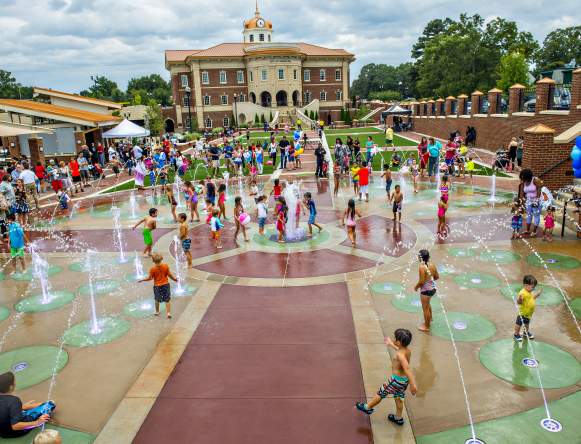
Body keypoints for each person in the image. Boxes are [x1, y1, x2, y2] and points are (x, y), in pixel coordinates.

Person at [355, 329, 417, 426]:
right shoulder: (407, 351)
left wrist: (413, 385)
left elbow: (407, 368)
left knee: (381, 393)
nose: (394, 339)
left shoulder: (400, 355)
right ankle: (398, 418)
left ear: (399, 342)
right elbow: (399, 350)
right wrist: (391, 344)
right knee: (399, 397)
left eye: (395, 339)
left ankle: (367, 407)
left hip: (395, 381)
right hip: (404, 381)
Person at [0, 372, 53, 438]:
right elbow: (15, 426)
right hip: (14, 432)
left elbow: (4, 409)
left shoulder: (11, 401)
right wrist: (37, 422)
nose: (15, 383)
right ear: (11, 387)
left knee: (22, 410)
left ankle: (24, 409)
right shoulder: (14, 400)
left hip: (1, 432)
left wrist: (21, 407)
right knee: (50, 405)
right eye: (14, 382)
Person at [138, 253, 177, 318]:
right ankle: (168, 313)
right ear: (161, 259)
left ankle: (157, 311)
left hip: (157, 286)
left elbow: (150, 278)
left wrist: (142, 279)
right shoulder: (165, 266)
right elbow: (169, 274)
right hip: (166, 285)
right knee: (167, 300)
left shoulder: (152, 269)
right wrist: (174, 279)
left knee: (157, 300)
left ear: (153, 261)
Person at [414, 249, 439, 332]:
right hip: (433, 289)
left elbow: (421, 281)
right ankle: (430, 318)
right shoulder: (432, 265)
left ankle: (426, 326)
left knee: (425, 308)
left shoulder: (422, 267)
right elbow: (437, 277)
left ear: (420, 258)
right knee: (427, 305)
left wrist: (416, 287)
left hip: (425, 291)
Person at [514, 275, 542, 341]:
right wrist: (520, 299)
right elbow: (519, 302)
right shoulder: (522, 293)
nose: (533, 289)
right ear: (526, 285)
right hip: (523, 313)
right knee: (519, 324)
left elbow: (532, 298)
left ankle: (525, 333)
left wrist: (537, 295)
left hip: (528, 313)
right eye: (532, 287)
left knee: (526, 324)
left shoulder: (529, 292)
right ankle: (516, 334)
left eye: (534, 287)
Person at [518, 169, 543, 237]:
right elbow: (521, 193)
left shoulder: (535, 180)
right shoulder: (523, 182)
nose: (523, 179)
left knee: (536, 215)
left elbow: (539, 189)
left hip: (537, 200)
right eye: (522, 178)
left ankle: (534, 231)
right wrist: (521, 202)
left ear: (528, 176)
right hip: (528, 200)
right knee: (529, 215)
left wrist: (537, 200)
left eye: (524, 178)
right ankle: (528, 230)